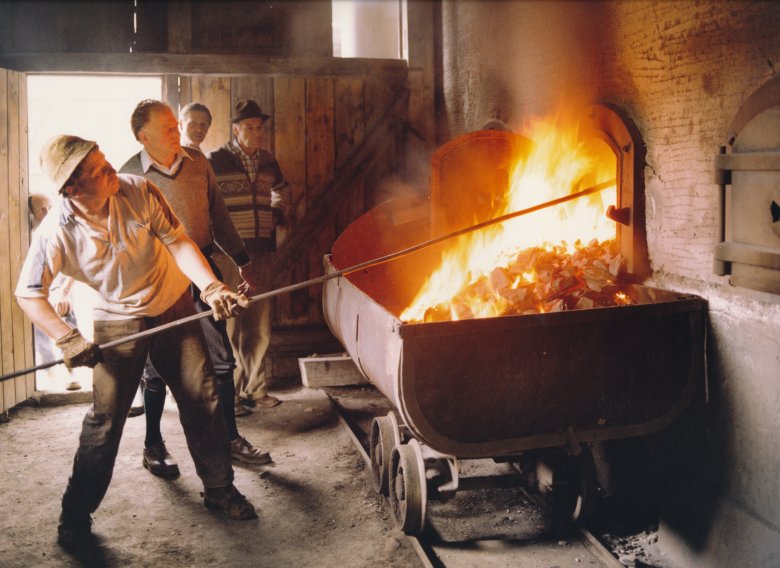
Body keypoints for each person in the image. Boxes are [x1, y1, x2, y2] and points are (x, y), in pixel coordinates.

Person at [15, 135, 258, 552]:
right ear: (72, 188)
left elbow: (179, 241)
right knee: (105, 421)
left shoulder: (138, 189)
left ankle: (219, 488)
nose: (111, 167)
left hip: (173, 303)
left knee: (202, 399)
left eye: (104, 158)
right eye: (98, 168)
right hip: (119, 318)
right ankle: (75, 515)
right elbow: (28, 293)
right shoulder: (55, 231)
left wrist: (212, 287)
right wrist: (67, 337)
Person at [120, 99, 270, 478]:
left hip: (203, 273)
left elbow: (218, 217)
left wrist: (242, 261)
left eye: (176, 126)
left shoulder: (197, 164)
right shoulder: (127, 177)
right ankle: (153, 445)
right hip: (156, 281)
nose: (177, 132)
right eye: (168, 128)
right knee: (155, 369)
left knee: (221, 360)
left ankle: (229, 438)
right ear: (144, 136)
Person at [208, 99, 292, 411]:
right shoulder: (215, 160)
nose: (257, 133)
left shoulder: (269, 160)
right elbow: (204, 202)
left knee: (259, 323)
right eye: (250, 128)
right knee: (230, 323)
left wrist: (277, 211)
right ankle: (230, 395)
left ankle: (255, 389)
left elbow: (282, 189)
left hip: (262, 252)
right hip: (228, 255)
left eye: (260, 128)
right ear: (235, 130)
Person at [28, 193, 81, 391]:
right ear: (31, 212)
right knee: (40, 334)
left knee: (68, 330)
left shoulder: (61, 230)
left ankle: (70, 372)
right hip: (39, 293)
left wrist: (64, 292)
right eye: (42, 208)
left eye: (50, 207)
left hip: (60, 291)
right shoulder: (26, 237)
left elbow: (76, 264)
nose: (48, 212)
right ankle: (49, 374)